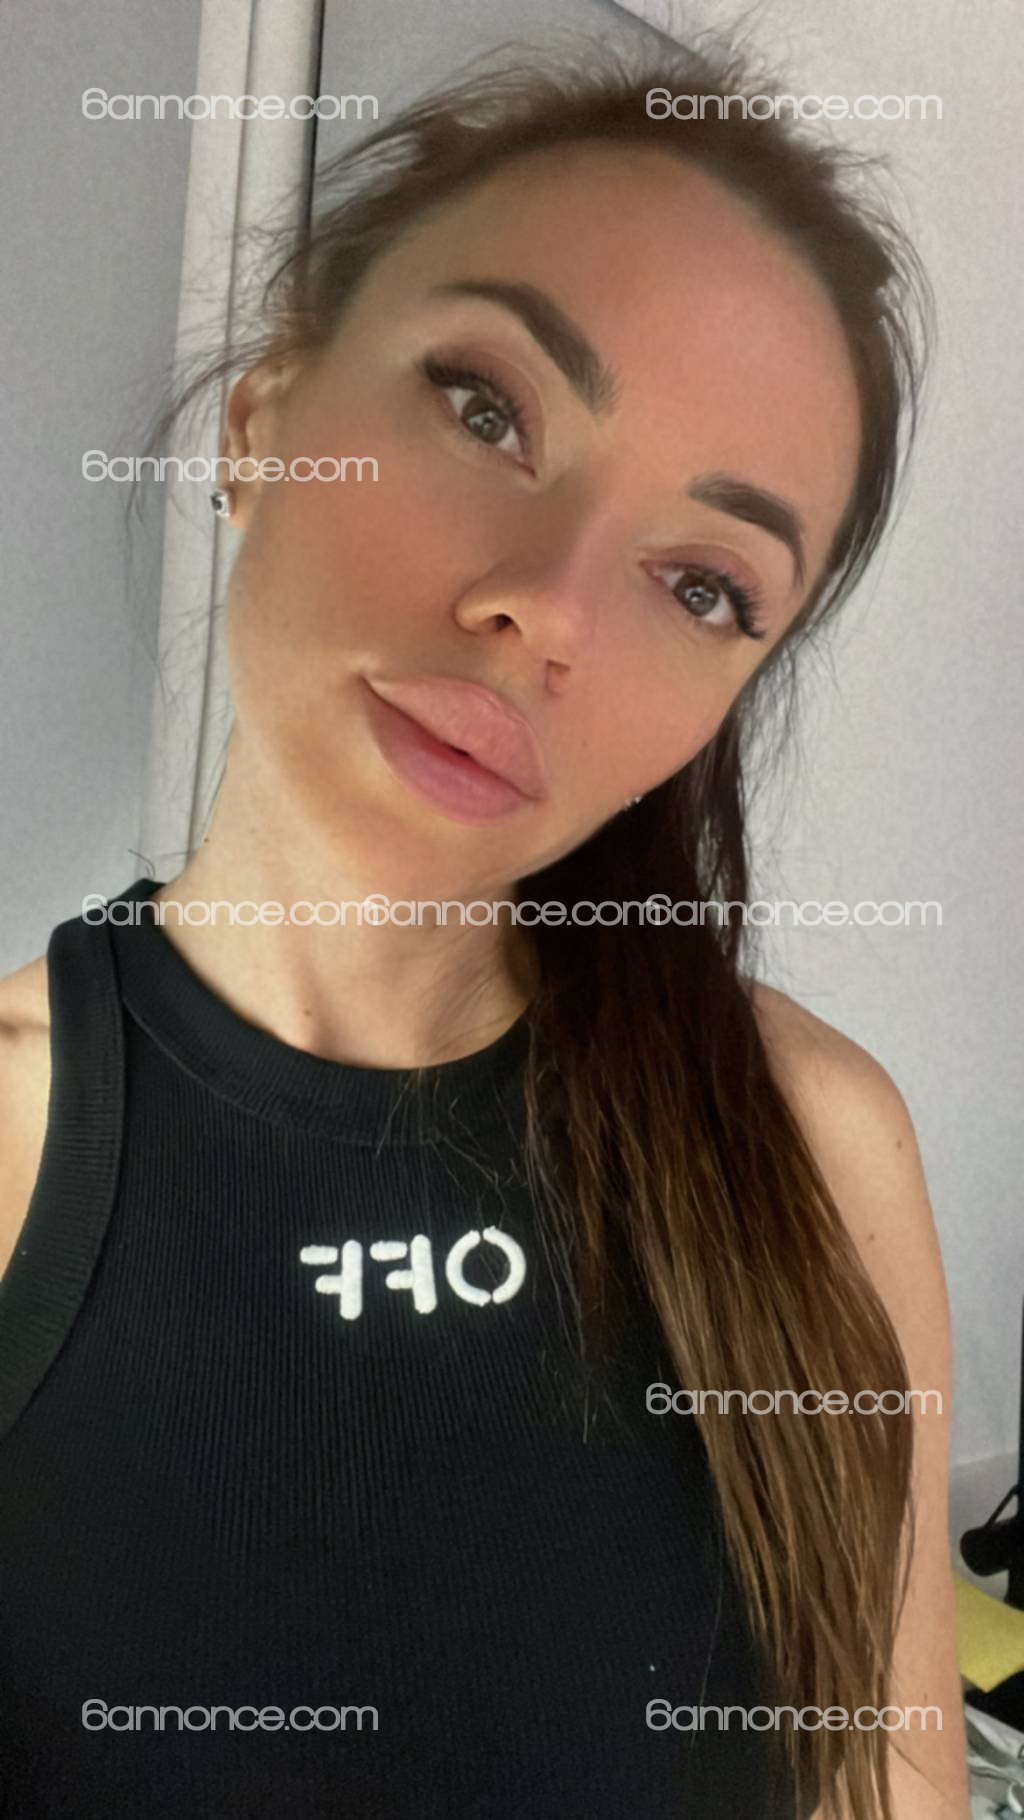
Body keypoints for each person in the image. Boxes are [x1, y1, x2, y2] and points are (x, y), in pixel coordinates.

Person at [0, 36, 968, 1820]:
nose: (551, 609)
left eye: (704, 583)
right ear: (262, 419)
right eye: (487, 409)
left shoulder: (815, 1146)